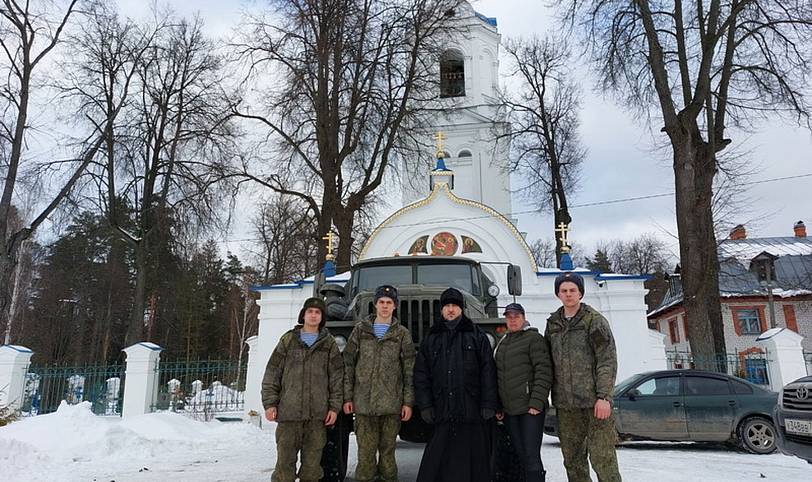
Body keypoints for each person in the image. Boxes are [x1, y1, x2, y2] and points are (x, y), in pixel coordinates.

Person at [414, 287, 498, 482]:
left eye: (454, 306)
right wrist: (425, 405)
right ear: (441, 310)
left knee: (474, 462)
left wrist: (488, 404)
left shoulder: (476, 336)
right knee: (436, 461)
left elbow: (488, 371)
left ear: (461, 309)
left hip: (471, 409)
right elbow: (421, 374)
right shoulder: (432, 338)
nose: (451, 310)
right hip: (442, 408)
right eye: (447, 306)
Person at [545, 272, 621, 482]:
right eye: (564, 291)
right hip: (566, 405)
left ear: (580, 293)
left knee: (602, 458)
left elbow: (607, 360)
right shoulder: (553, 324)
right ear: (558, 294)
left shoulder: (594, 321)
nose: (568, 294)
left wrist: (604, 396)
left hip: (594, 404)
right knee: (573, 460)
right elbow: (547, 361)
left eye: (572, 290)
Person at [261, 297, 344, 482]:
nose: (313, 315)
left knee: (312, 469)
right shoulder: (288, 340)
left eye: (318, 312)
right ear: (303, 315)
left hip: (317, 417)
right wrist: (269, 403)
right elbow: (272, 372)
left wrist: (334, 407)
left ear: (322, 317)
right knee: (284, 467)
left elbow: (337, 378)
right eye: (310, 312)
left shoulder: (329, 344)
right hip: (289, 415)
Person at [343, 285, 415, 482]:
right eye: (381, 302)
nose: (385, 306)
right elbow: (348, 363)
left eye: (389, 302)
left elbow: (409, 370)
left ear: (395, 306)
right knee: (365, 458)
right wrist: (348, 397)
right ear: (375, 305)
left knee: (388, 457)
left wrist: (408, 402)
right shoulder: (360, 330)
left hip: (391, 405)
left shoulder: (401, 334)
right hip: (364, 405)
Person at [494, 302, 553, 482]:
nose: (512, 320)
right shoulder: (503, 343)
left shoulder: (534, 339)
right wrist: (499, 405)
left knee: (531, 455)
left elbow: (543, 370)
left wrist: (536, 402)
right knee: (520, 454)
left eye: (516, 317)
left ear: (523, 318)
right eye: (509, 317)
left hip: (530, 409)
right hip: (510, 410)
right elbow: (498, 375)